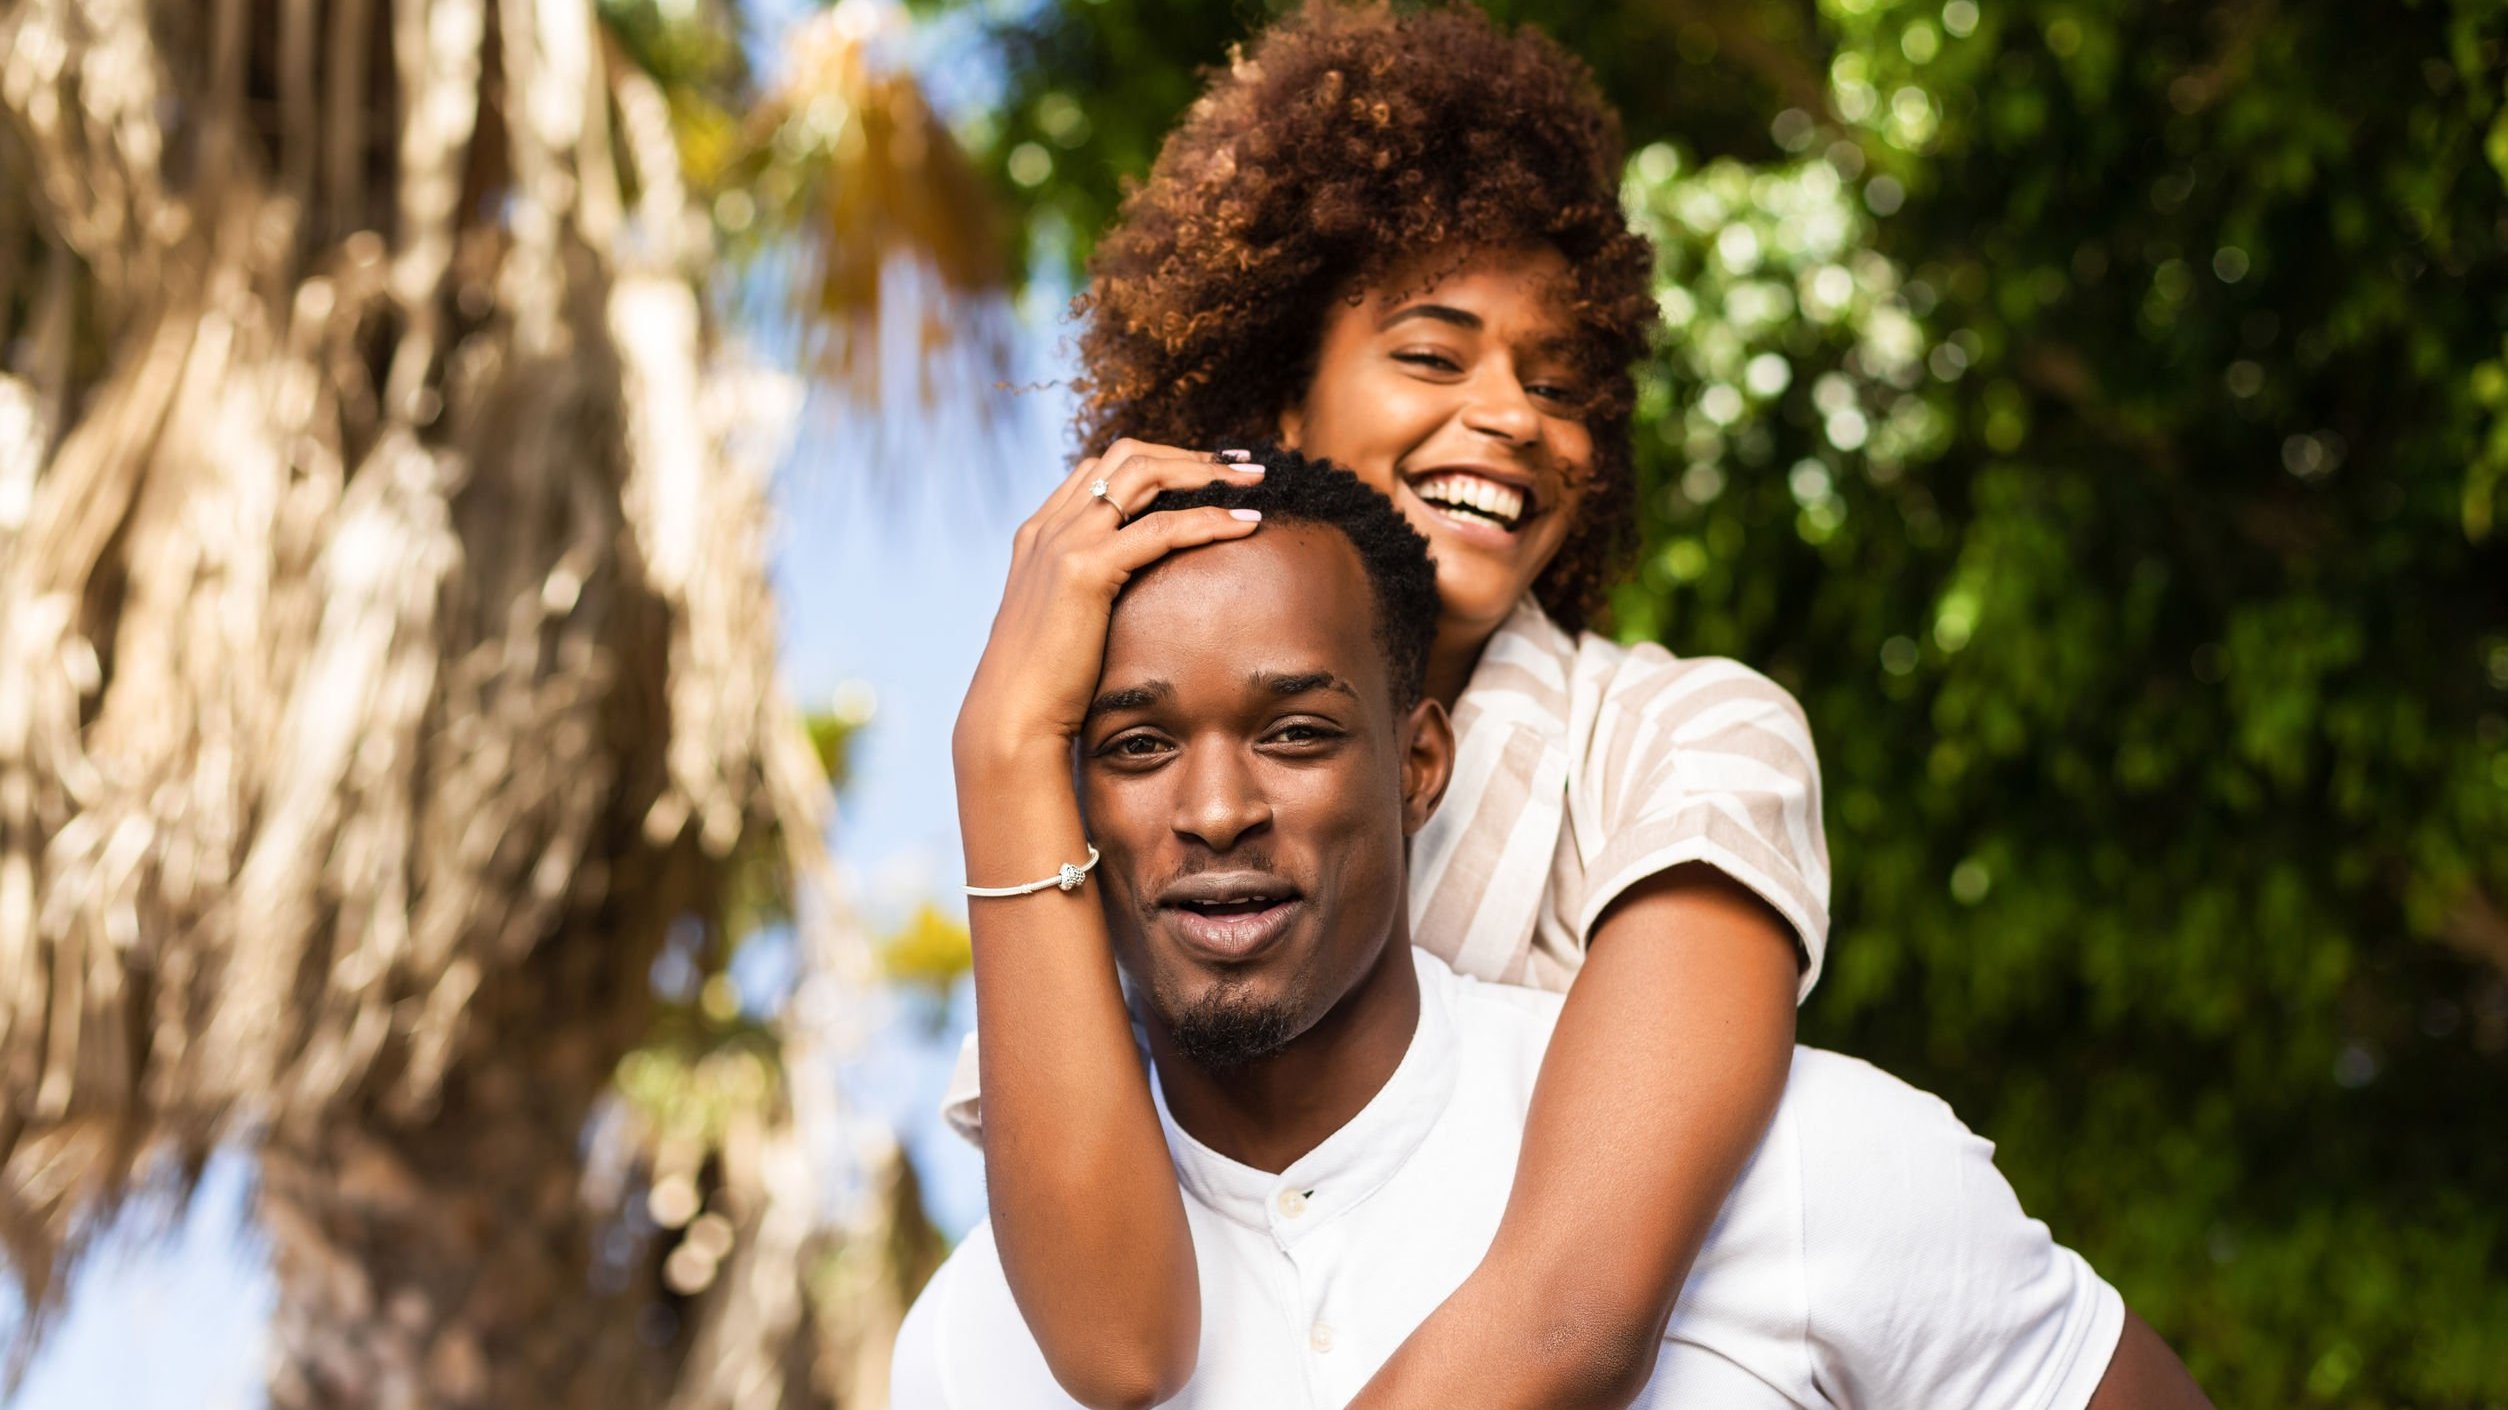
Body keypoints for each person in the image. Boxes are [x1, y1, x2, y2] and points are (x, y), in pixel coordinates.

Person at [902, 455, 2209, 1408]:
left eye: (1296, 731)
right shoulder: (970, 1345)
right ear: (1063, 803)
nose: (1219, 808)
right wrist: (998, 741)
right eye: (1135, 746)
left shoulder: (1804, 1161)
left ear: (1419, 764)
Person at [946, 6, 1828, 1406]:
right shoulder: (1142, 794)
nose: (1515, 417)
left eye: (1560, 381)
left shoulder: (1690, 741)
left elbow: (1574, 1315)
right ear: (1276, 402)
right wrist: (1002, 745)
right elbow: (1119, 1344)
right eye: (1434, 355)